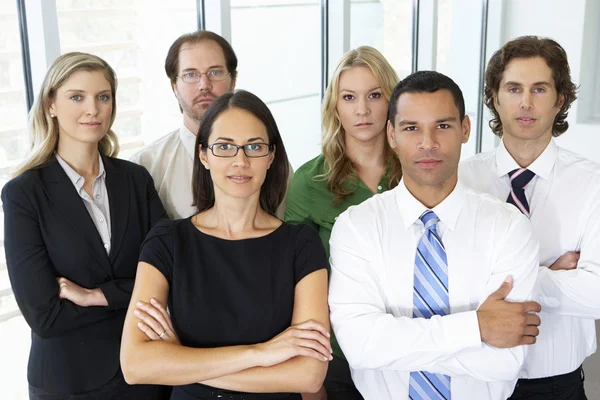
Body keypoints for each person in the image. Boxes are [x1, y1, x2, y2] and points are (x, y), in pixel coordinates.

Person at [328, 71, 542, 400]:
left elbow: (504, 362)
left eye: (442, 126)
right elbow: (360, 347)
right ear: (392, 134)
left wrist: (395, 345)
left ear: (465, 129)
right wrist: (477, 328)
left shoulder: (509, 228)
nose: (428, 143)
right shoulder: (356, 227)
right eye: (411, 128)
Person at [120, 90, 330, 400]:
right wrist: (260, 353)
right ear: (203, 155)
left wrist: (182, 358)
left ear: (271, 156)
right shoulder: (167, 242)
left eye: (254, 147)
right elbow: (135, 365)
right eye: (225, 147)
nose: (240, 160)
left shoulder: (301, 244)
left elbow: (308, 375)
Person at [2, 52, 168, 399]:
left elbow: (171, 274)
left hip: (145, 374)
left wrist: (96, 296)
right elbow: (44, 316)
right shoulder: (24, 195)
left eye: (102, 97)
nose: (92, 109)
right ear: (51, 105)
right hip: (68, 383)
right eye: (77, 97)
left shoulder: (136, 180)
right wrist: (131, 296)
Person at [460, 36, 598, 400]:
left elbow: (597, 292)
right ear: (493, 96)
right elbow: (447, 282)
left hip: (555, 386)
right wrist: (548, 274)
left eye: (539, 89)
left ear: (560, 100)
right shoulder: (460, 179)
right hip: (473, 379)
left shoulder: (593, 184)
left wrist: (493, 280)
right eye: (513, 88)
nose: (525, 102)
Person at [285, 45, 401, 399]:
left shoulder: (418, 171)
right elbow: (293, 284)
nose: (362, 109)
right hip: (338, 353)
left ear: (393, 102)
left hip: (411, 345)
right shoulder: (309, 181)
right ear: (335, 105)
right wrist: (309, 380)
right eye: (349, 97)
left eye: (375, 95)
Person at [131, 30, 290, 220]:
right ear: (174, 86)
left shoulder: (266, 160)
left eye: (215, 72)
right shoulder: (146, 167)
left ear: (233, 81)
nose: (204, 85)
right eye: (190, 74)